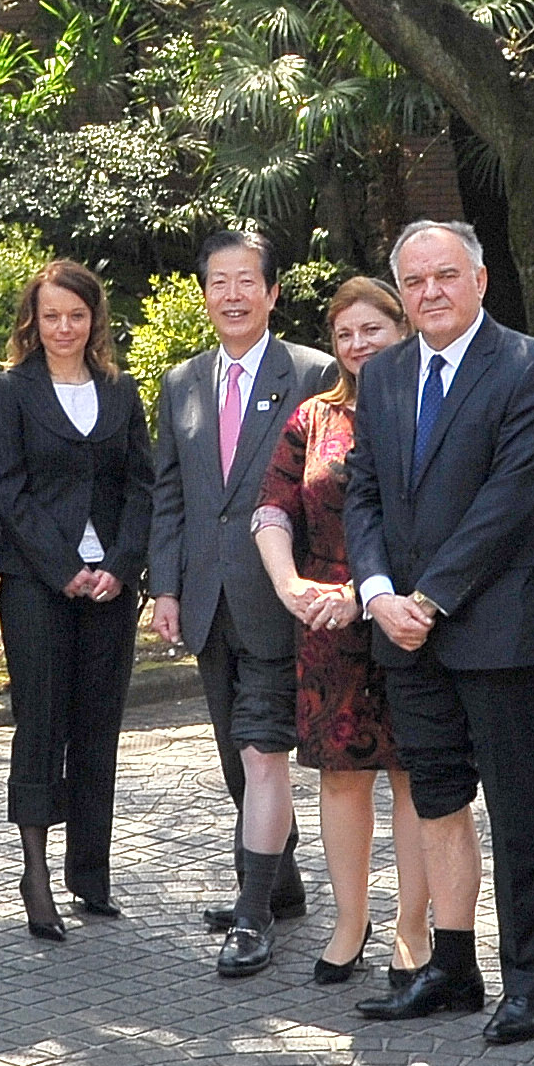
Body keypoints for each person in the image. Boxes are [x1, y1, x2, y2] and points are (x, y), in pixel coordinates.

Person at [342, 219, 534, 1044]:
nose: (430, 291)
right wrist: (377, 593)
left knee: (519, 809)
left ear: (479, 277)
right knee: (436, 798)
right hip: (403, 632)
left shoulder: (530, 366)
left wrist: (429, 596)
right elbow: (362, 491)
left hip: (496, 629)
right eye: (415, 281)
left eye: (446, 274)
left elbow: (509, 502)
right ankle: (453, 965)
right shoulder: (384, 374)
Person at [148, 227, 333, 934]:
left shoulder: (311, 374)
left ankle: (253, 913)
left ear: (273, 291)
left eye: (246, 280)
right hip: (204, 600)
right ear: (203, 294)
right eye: (218, 282)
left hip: (277, 599)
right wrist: (164, 586)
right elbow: (173, 492)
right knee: (236, 756)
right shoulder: (182, 382)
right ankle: (279, 884)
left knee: (262, 750)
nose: (232, 294)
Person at [250, 274, 427, 989]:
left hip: (410, 617)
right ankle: (350, 919)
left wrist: (370, 594)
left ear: (402, 329)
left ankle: (415, 926)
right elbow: (271, 508)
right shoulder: (312, 418)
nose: (358, 344)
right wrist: (292, 587)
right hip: (325, 624)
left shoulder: (427, 409)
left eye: (372, 330)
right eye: (345, 333)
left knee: (415, 777)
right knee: (342, 777)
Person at [0, 258, 154, 946]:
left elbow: (143, 487)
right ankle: (36, 874)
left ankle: (91, 871)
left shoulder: (121, 391)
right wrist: (63, 568)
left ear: (94, 320)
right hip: (38, 584)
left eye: (76, 315)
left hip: (110, 588)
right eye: (51, 315)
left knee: (97, 725)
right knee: (40, 720)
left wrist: (118, 565)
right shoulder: (10, 393)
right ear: (34, 319)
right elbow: (8, 490)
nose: (63, 327)